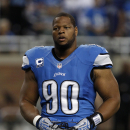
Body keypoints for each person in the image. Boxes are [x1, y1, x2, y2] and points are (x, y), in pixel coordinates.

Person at [19, 12, 120, 130]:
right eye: (56, 28)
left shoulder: (92, 55)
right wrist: (39, 121)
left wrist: (91, 122)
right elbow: (25, 101)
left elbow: (113, 99)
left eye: (66, 27)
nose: (61, 31)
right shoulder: (37, 58)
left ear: (75, 30)